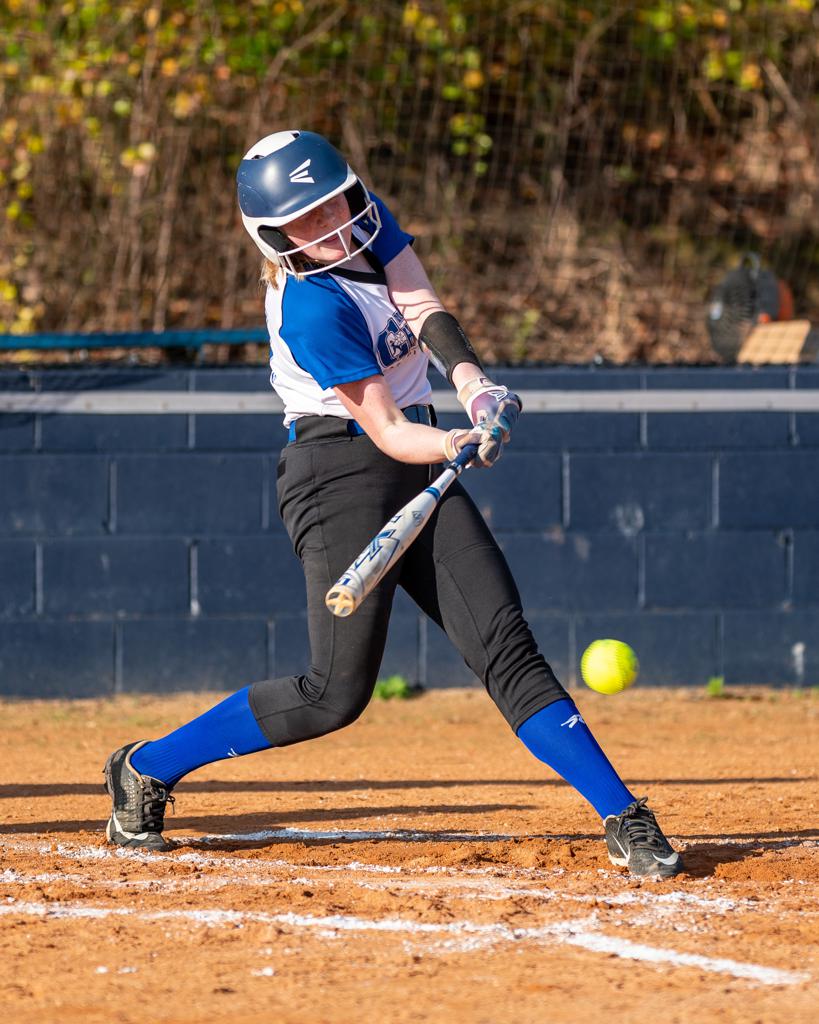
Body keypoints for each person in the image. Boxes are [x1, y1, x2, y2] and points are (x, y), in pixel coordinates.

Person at [102, 129, 682, 878]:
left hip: (419, 460)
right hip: (337, 472)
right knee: (332, 694)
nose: (333, 226)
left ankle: (623, 815)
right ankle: (145, 767)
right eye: (307, 221)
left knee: (506, 646)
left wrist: (473, 385)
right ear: (273, 237)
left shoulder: (363, 222)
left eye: (335, 203)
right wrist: (454, 447)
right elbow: (385, 429)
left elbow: (419, 304)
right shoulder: (310, 308)